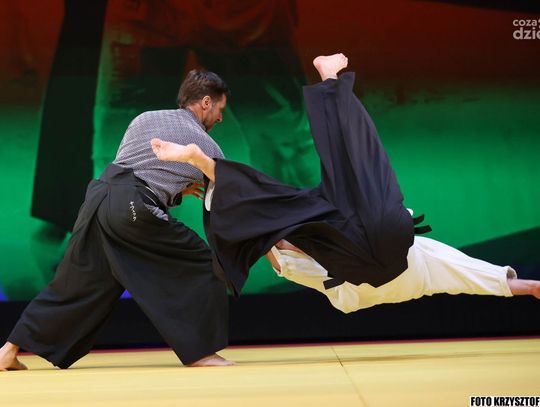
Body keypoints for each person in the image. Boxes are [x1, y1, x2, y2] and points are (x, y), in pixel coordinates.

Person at [150, 54, 540, 310]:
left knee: (355, 168)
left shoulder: (418, 264)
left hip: (361, 258)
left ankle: (329, 79)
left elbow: (272, 237)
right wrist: (525, 285)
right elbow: (470, 274)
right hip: (373, 245)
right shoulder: (422, 263)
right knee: (337, 179)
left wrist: (252, 225)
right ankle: (329, 79)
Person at [0, 69, 233, 372]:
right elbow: (231, 193)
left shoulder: (145, 118)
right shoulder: (206, 146)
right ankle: (201, 352)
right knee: (203, 264)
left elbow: (134, 169)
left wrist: (175, 191)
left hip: (98, 198)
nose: (220, 117)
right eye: (220, 108)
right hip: (133, 207)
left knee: (78, 284)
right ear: (206, 102)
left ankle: (8, 350)